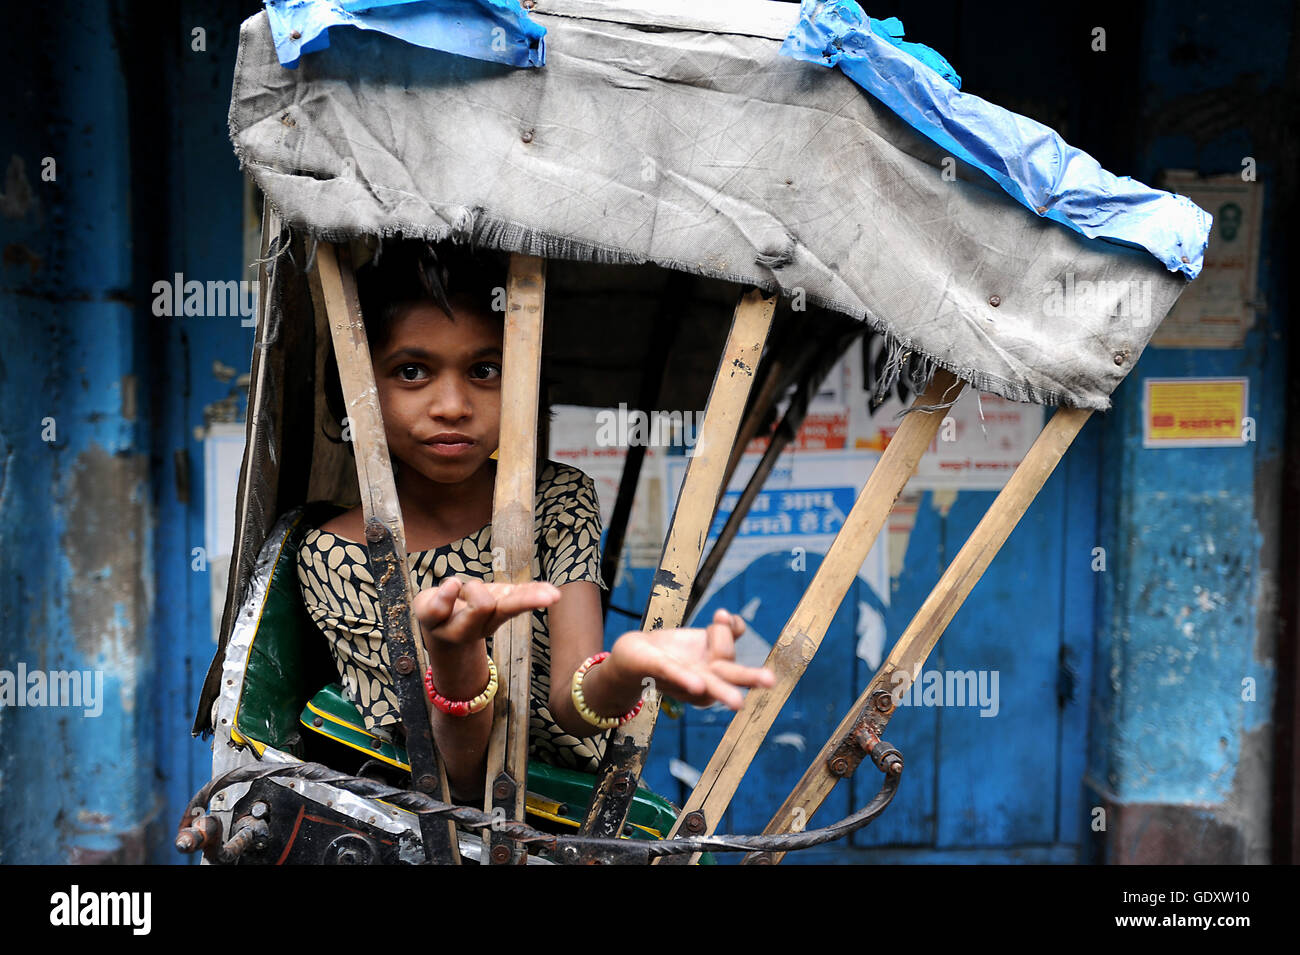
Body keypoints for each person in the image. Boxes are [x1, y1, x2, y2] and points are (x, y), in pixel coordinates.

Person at [296, 239, 775, 800]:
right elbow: (455, 776)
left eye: (484, 370)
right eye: (410, 372)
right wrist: (455, 657)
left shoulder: (557, 498)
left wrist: (622, 669)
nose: (451, 404)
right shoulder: (336, 555)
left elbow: (573, 711)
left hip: (572, 809)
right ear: (357, 390)